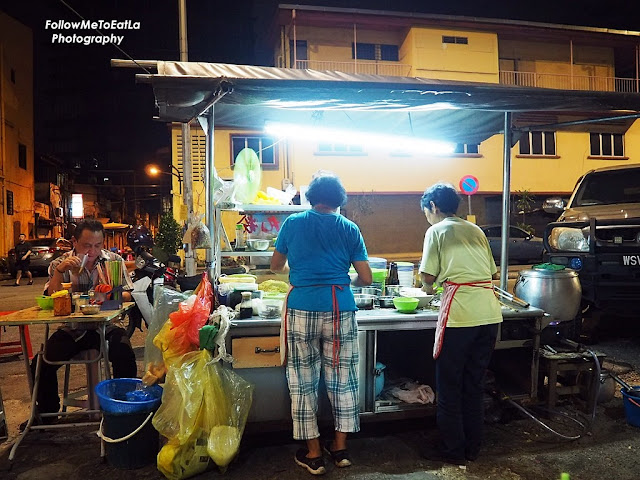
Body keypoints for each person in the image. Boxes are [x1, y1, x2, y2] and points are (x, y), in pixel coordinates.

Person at [270, 172, 372, 476]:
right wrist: (341, 280)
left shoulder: (293, 223)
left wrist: (300, 267)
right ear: (339, 200)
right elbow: (366, 277)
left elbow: (275, 266)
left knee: (303, 381)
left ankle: (313, 453)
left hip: (302, 307)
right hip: (340, 307)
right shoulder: (350, 228)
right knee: (343, 379)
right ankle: (339, 449)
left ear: (310, 197)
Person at [418, 182, 502, 466]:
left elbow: (427, 278)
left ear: (433, 207)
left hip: (461, 316)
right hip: (489, 314)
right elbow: (491, 272)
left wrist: (429, 287)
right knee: (474, 384)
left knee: (450, 386)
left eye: (426, 211)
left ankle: (453, 450)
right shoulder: (475, 230)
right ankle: (472, 448)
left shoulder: (436, 230)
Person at [29, 219, 136, 422]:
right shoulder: (59, 264)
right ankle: (47, 413)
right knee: (41, 363)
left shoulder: (113, 261)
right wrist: (60, 272)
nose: (93, 251)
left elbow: (128, 296)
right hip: (73, 330)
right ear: (74, 242)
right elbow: (52, 298)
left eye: (98, 245)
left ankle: (124, 409)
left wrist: (102, 296)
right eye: (87, 245)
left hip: (106, 326)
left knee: (124, 351)